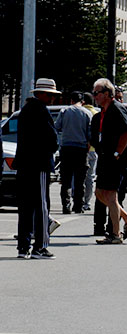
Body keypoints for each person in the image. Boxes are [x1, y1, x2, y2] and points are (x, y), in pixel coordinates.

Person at [15, 78, 61, 259]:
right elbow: (52, 139)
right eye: (49, 95)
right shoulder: (42, 111)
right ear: (40, 94)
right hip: (39, 163)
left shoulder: (25, 110)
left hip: (24, 163)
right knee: (41, 206)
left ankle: (23, 246)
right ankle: (40, 246)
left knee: (25, 207)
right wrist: (52, 149)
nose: (52, 98)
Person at [91, 77, 127, 244]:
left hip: (116, 159)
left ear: (106, 93)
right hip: (105, 157)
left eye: (96, 93)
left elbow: (126, 133)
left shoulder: (117, 109)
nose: (94, 96)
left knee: (111, 194)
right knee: (99, 193)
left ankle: (115, 235)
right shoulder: (102, 112)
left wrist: (117, 153)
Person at [55, 91, 92, 214]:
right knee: (80, 180)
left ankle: (66, 205)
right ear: (83, 102)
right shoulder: (87, 113)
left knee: (65, 180)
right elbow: (90, 134)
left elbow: (57, 127)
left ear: (71, 100)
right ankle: (78, 205)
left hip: (66, 148)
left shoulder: (64, 111)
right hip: (81, 149)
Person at [82, 92, 99, 211]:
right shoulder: (96, 114)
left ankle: (77, 199)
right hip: (93, 150)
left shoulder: (79, 112)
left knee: (77, 177)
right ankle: (86, 202)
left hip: (80, 149)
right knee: (90, 178)